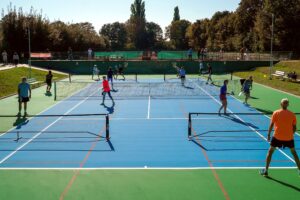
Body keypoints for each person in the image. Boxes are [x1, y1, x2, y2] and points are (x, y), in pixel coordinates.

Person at [260, 98, 300, 176]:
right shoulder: (292, 114)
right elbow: (294, 128)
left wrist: (268, 135)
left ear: (281, 104)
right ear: (287, 104)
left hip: (277, 137)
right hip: (289, 138)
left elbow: (271, 125)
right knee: (294, 153)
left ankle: (266, 170)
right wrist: (290, 134)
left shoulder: (276, 112)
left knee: (270, 152)